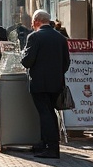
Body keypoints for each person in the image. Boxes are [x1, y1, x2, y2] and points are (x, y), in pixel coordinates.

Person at [20, 9, 71, 158]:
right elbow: (66, 63)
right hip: (56, 82)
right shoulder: (60, 38)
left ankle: (51, 147)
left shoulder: (34, 37)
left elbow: (27, 61)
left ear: (36, 21)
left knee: (45, 114)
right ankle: (45, 143)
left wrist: (23, 54)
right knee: (50, 112)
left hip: (40, 83)